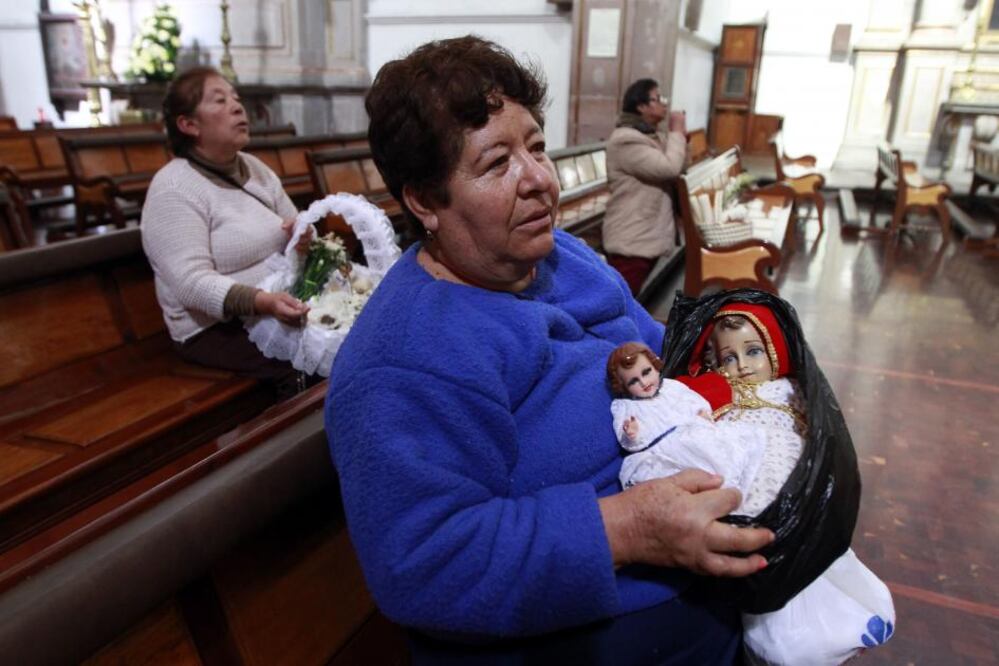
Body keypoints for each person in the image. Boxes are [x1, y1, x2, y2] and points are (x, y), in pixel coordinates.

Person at [324, 36, 774, 665]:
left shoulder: (566, 258)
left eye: (536, 147)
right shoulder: (403, 357)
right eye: (496, 163)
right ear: (424, 200)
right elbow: (425, 563)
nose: (538, 178)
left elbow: (658, 356)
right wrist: (630, 527)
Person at [611, 303, 895, 665]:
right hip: (752, 477)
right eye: (730, 358)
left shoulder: (791, 389)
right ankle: (792, 643)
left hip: (794, 475)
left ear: (775, 351)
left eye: (754, 351)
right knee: (768, 566)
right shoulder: (716, 391)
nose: (742, 365)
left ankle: (847, 616)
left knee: (820, 557)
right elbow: (687, 415)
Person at [141, 66, 311, 398]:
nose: (236, 107)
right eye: (219, 101)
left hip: (275, 301)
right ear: (188, 125)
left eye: (235, 98)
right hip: (212, 328)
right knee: (305, 361)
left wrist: (303, 238)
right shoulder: (173, 189)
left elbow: (295, 225)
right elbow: (191, 284)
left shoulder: (254, 167)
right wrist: (261, 302)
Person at [602, 78, 687, 296]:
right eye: (658, 99)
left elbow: (679, 164)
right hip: (632, 237)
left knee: (631, 300)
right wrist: (677, 131)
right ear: (641, 106)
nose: (664, 104)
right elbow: (669, 167)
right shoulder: (626, 140)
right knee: (621, 302)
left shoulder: (650, 135)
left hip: (645, 234)